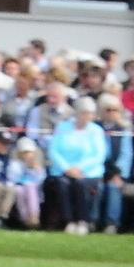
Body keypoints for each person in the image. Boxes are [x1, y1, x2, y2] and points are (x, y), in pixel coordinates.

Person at [48, 96, 107, 232]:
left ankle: (83, 221)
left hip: (88, 173)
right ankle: (69, 221)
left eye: (90, 114)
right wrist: (67, 168)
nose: (88, 117)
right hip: (63, 171)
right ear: (77, 113)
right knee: (63, 184)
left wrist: (79, 168)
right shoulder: (62, 127)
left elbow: (99, 155)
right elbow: (53, 150)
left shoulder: (96, 131)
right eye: (84, 113)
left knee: (80, 184)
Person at [7, 138, 45, 228]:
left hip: (33, 188)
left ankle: (33, 215)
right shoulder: (15, 164)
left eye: (29, 152)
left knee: (30, 187)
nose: (27, 155)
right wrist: (24, 167)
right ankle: (24, 218)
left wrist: (36, 170)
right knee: (19, 191)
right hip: (19, 186)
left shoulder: (37, 166)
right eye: (24, 153)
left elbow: (40, 180)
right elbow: (12, 178)